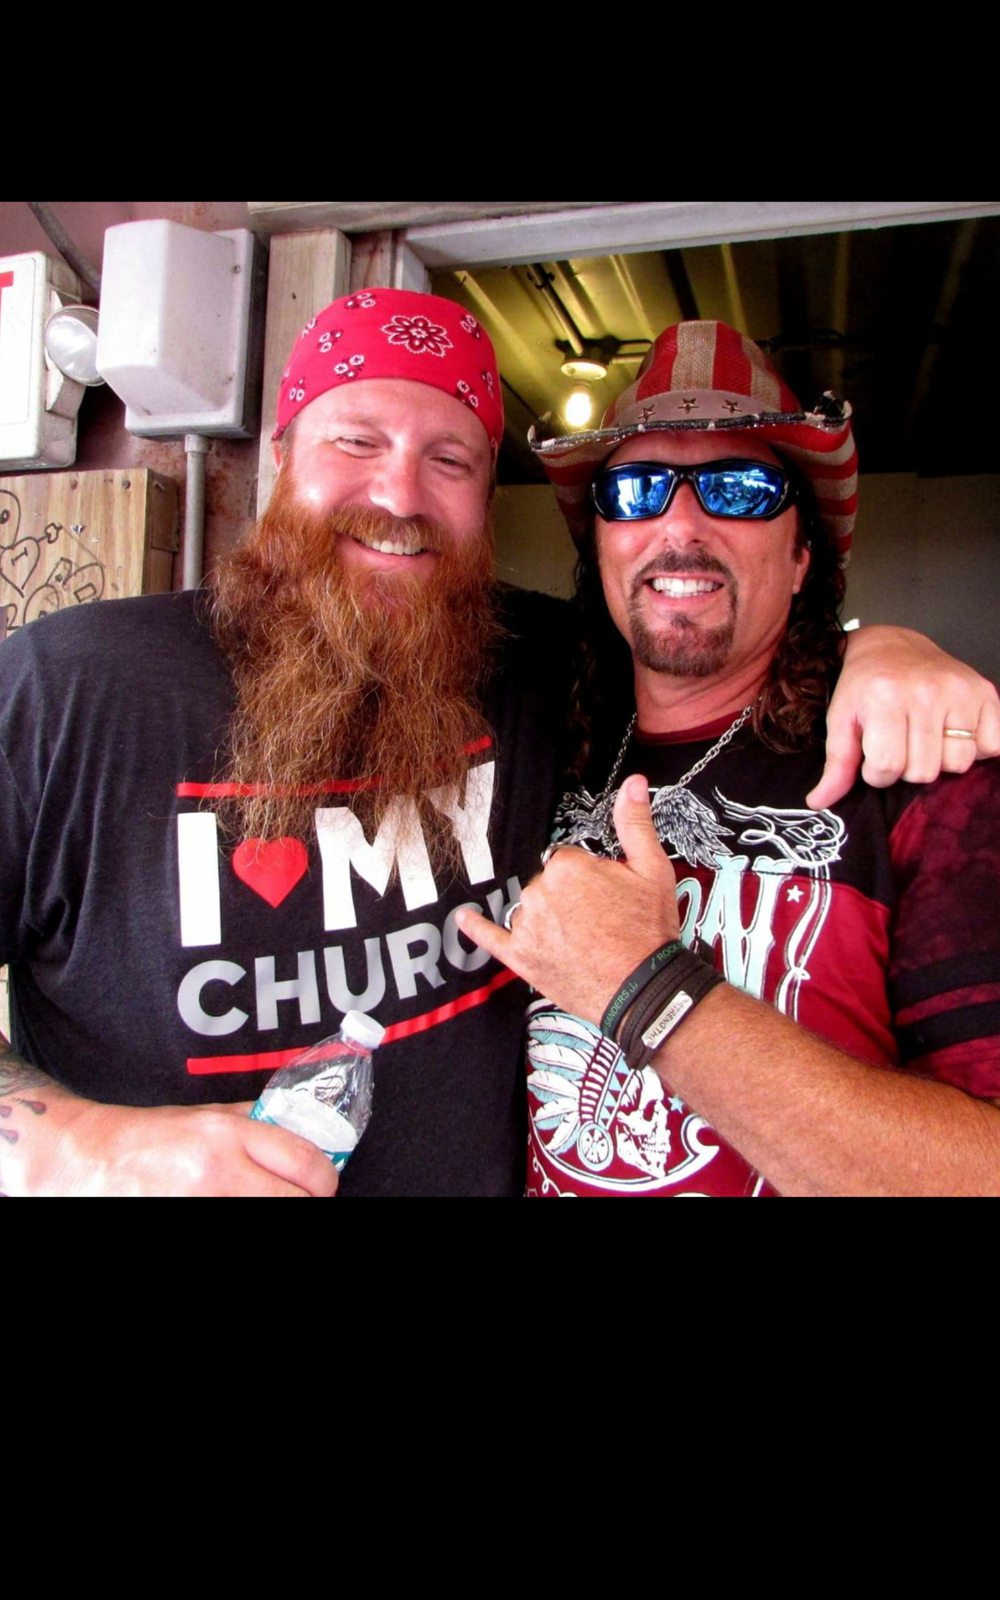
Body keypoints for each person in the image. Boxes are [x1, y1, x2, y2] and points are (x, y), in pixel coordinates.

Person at [0, 295, 996, 1197]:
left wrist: (886, 650)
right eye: (356, 441)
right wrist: (76, 1148)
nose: (399, 494)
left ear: (805, 549)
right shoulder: (65, 686)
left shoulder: (910, 773)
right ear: (281, 453)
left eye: (450, 460)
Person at [457, 319, 1000, 1197]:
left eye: (739, 489)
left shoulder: (924, 774)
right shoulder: (531, 740)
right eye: (634, 489)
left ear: (802, 556)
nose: (679, 523)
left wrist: (647, 992)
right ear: (599, 544)